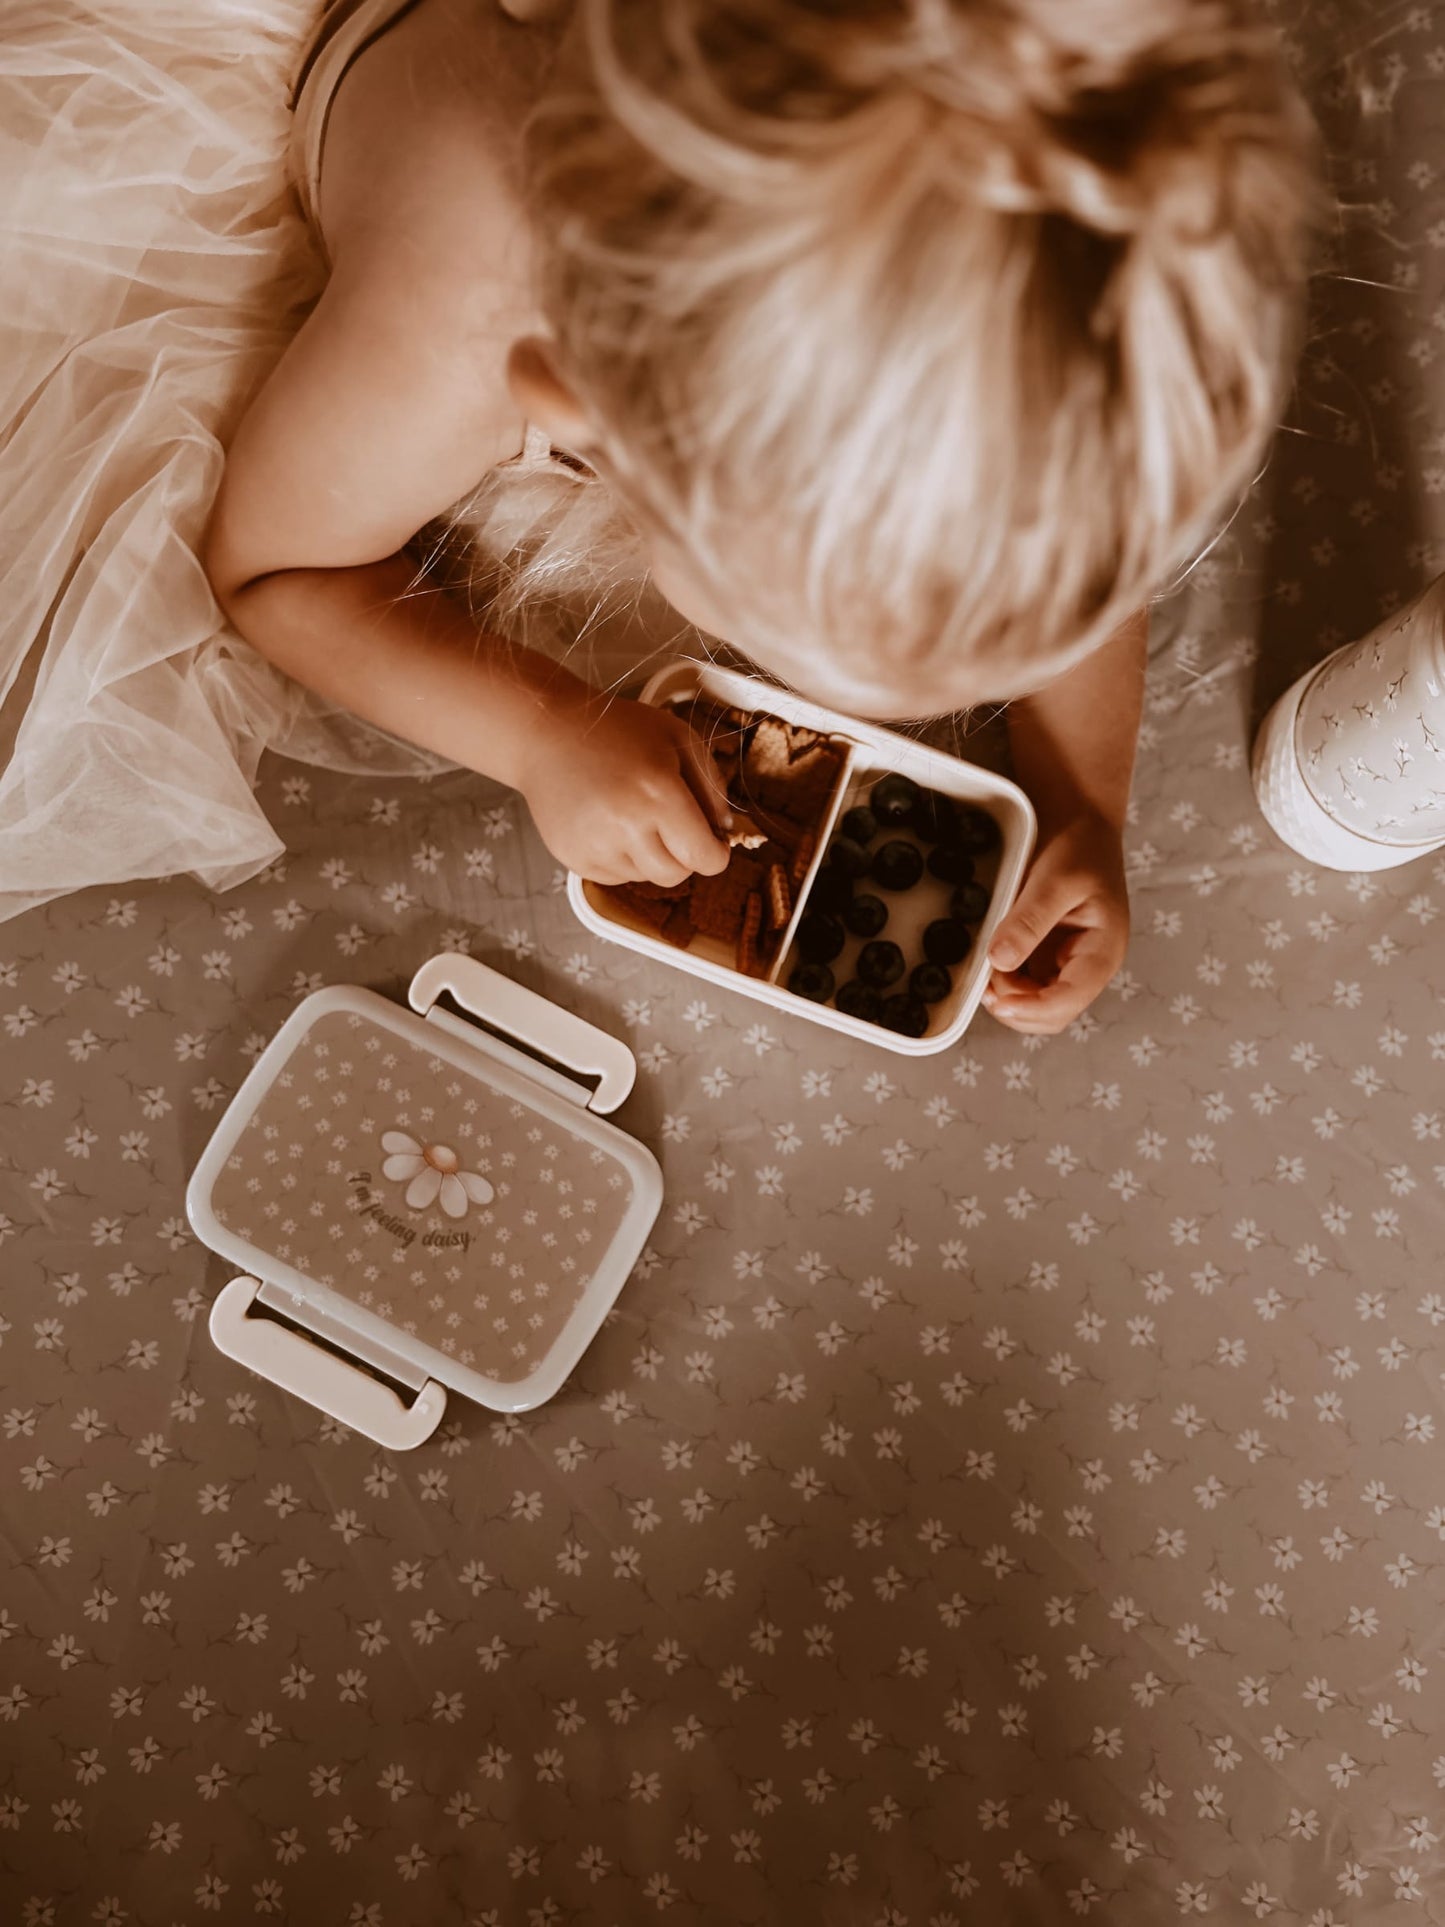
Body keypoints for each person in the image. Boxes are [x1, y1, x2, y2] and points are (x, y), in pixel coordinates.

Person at [7, 0, 1316, 1032]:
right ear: (575, 420)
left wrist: (1081, 798)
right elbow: (271, 574)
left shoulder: (1028, 293)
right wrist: (544, 734)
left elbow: (1057, 534)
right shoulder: (451, 339)